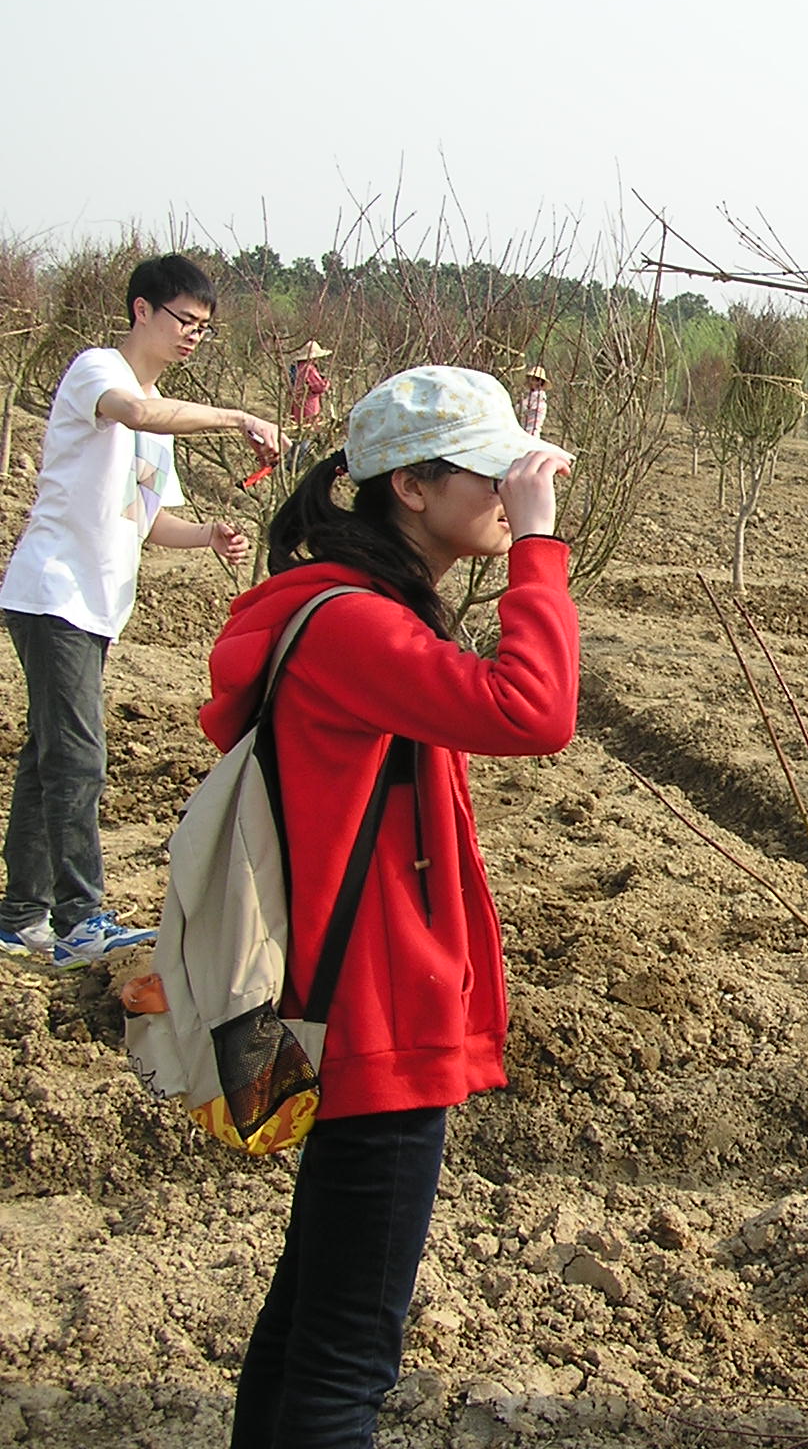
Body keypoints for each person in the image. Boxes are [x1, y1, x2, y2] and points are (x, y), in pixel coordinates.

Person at [214, 365, 576, 1448]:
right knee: (342, 1370)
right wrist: (537, 546)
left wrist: (506, 474)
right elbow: (535, 710)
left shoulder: (345, 608)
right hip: (375, 1019)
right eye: (489, 471)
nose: (511, 489)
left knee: (305, 1322)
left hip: (331, 995)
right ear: (408, 489)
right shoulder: (352, 628)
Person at [0, 253, 279, 967]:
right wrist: (235, 416)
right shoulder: (102, 372)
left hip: (94, 605)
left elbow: (146, 518)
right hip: (53, 593)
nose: (192, 336)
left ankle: (21, 914)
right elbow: (133, 410)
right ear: (141, 311)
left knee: (48, 758)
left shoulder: (159, 424)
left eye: (203, 329)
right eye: (183, 321)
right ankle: (79, 920)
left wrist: (207, 536)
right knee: (80, 758)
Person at [287, 341, 333, 426]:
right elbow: (319, 387)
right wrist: (327, 382)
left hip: (297, 404)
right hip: (309, 405)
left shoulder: (298, 367)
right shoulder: (309, 369)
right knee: (310, 427)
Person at [516, 364, 548, 436]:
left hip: (529, 433)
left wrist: (519, 403)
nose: (530, 382)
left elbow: (518, 410)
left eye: (533, 380)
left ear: (539, 382)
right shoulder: (541, 398)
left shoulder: (535, 397)